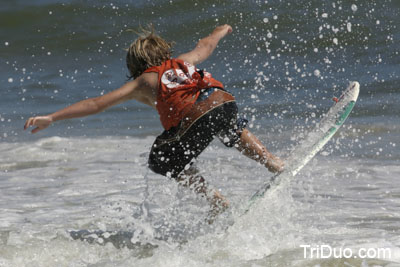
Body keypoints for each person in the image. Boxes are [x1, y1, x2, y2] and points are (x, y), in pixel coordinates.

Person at [24, 24, 284, 221]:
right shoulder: (183, 61)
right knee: (231, 128)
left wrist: (52, 117)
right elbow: (206, 45)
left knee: (161, 158)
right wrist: (221, 30)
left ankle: (215, 200)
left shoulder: (141, 82)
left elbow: (96, 104)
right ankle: (271, 161)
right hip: (222, 100)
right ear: (164, 52)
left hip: (195, 116)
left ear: (135, 65)